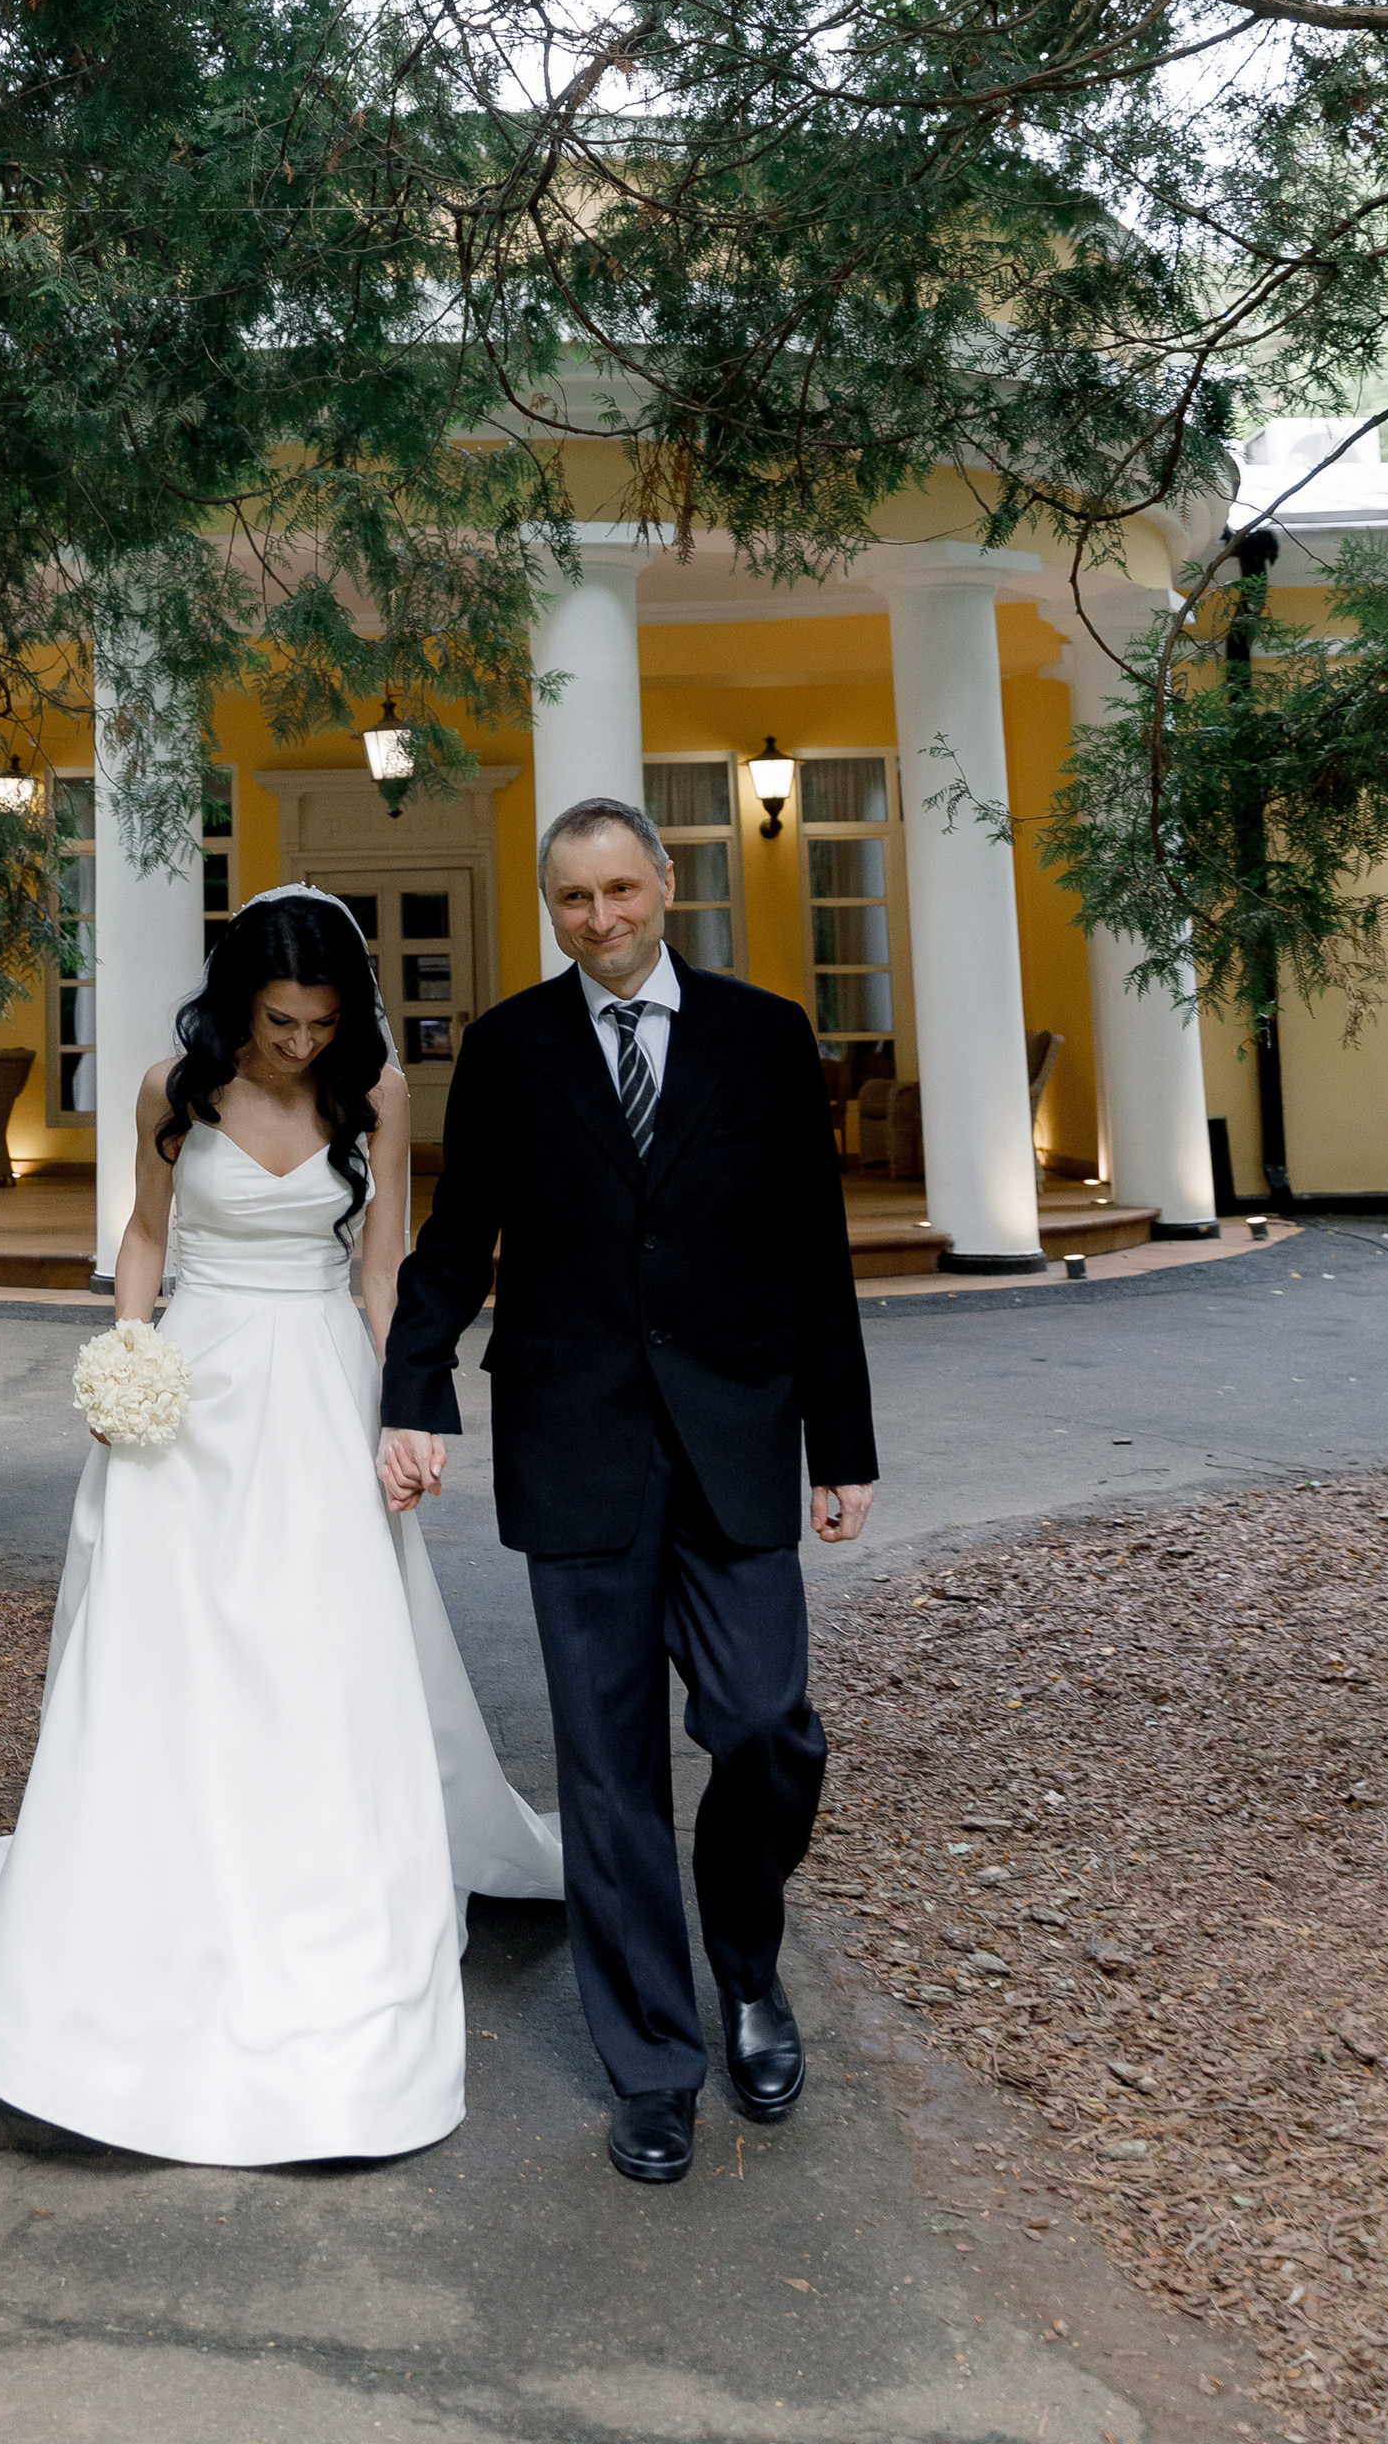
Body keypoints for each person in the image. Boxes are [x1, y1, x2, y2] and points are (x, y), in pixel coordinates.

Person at [0, 887, 560, 2166]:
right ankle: (157, 1890)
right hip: (196, 1389)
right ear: (240, 1005)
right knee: (171, 1647)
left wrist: (404, 1412)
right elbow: (143, 1234)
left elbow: (382, 1263)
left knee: (320, 1646)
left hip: (320, 1379)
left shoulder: (376, 1093)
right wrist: (127, 1355)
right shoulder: (172, 1088)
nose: (299, 1044)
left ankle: (320, 1891)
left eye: (322, 1021)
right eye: (280, 1020)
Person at [380, 795, 879, 2190]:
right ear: (553, 910)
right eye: (571, 900)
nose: (599, 919)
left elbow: (813, 1248)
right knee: (607, 1780)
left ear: (668, 883)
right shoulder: (510, 1049)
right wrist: (414, 1390)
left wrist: (840, 1442)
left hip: (735, 1437)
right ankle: (653, 2066)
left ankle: (746, 1968)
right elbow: (455, 1237)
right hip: (576, 1444)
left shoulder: (765, 1034)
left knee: (766, 1724)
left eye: (619, 889)